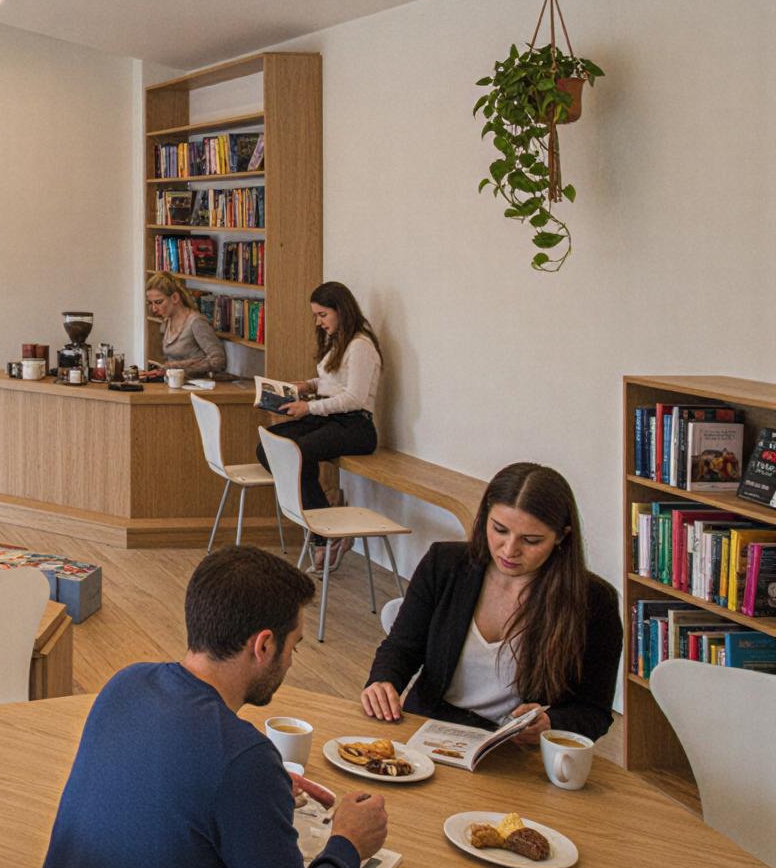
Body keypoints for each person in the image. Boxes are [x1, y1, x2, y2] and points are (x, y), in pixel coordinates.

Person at [21, 545, 387, 868]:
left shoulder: (126, 682)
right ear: (264, 645)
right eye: (294, 646)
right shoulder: (243, 759)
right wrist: (348, 842)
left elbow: (168, 790)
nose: (292, 661)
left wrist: (257, 798)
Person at [362, 462, 621, 741]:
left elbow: (594, 711)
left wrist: (550, 723)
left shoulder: (594, 601)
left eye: (531, 540)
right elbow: (402, 647)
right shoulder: (444, 564)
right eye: (500, 529)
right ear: (485, 517)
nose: (509, 550)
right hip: (427, 727)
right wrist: (383, 681)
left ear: (561, 537)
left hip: (513, 746)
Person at [254, 280, 384, 572]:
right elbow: (331, 381)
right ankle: (327, 522)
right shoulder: (338, 341)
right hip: (328, 418)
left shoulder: (360, 346)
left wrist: (308, 407)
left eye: (323, 315)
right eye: (316, 316)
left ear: (342, 310)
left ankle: (324, 533)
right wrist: (306, 386)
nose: (319, 322)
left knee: (296, 453)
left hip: (354, 426)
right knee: (269, 447)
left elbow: (354, 398)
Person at [147, 271, 226, 378]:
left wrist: (177, 368)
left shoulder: (196, 322)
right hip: (175, 382)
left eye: (158, 302)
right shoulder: (167, 322)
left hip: (197, 384)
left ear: (175, 298)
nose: (154, 309)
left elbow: (219, 360)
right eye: (151, 303)